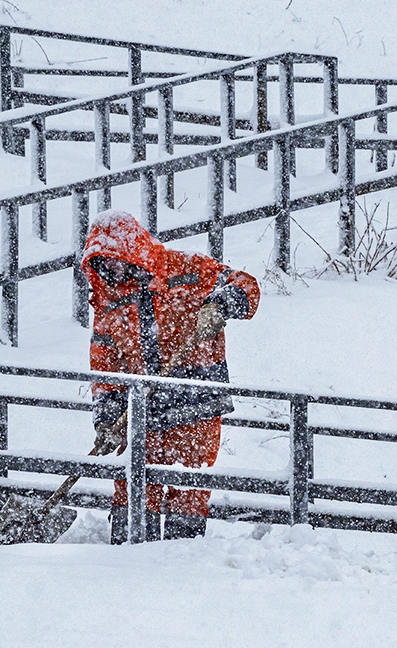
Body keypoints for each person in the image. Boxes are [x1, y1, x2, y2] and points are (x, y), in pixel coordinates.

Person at [80, 210, 261, 543]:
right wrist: (106, 421)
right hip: (142, 413)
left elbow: (246, 287)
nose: (112, 271)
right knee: (132, 488)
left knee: (188, 488)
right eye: (102, 263)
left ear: (131, 252)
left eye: (115, 260)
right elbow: (104, 365)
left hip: (196, 405)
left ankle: (182, 562)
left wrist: (221, 305)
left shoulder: (188, 269)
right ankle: (123, 559)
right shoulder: (108, 299)